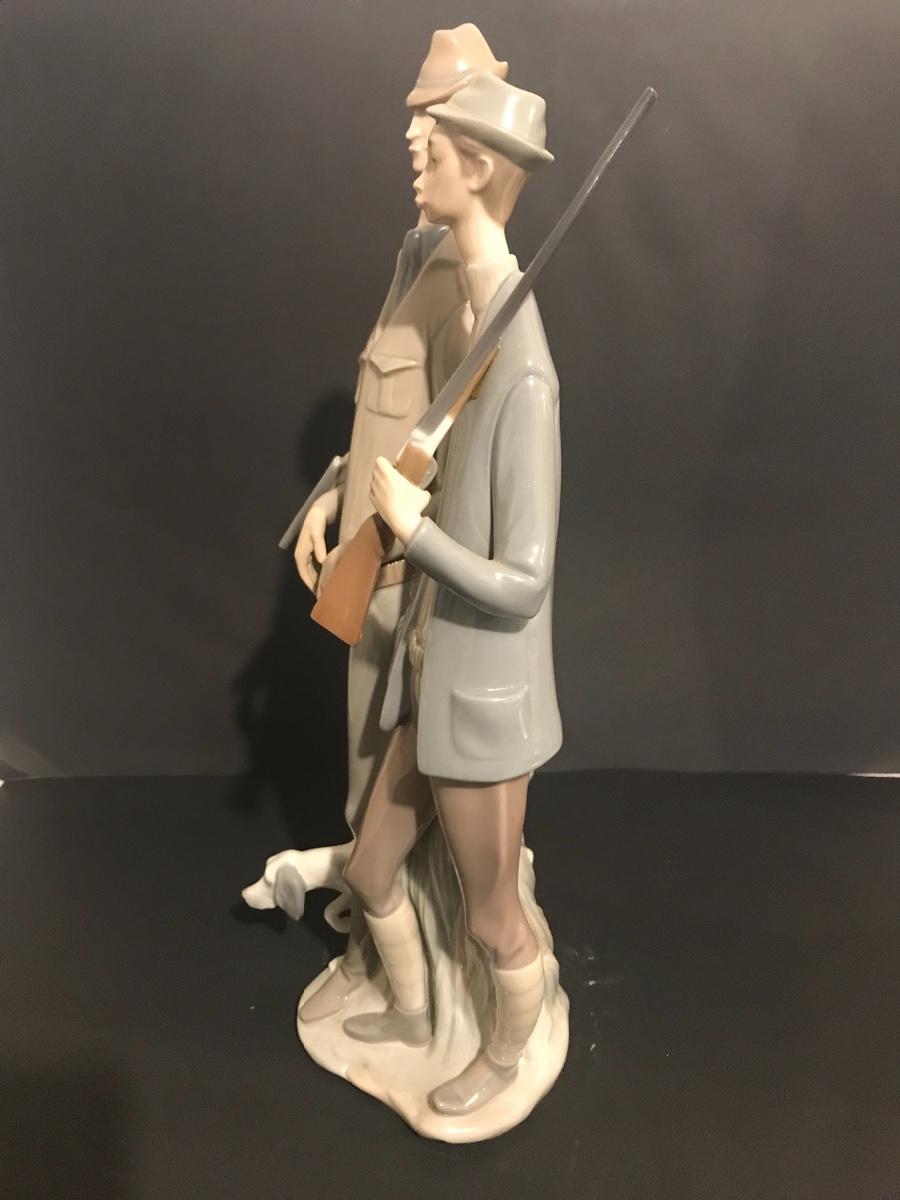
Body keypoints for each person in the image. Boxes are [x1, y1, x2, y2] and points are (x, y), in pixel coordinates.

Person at [341, 72, 564, 1119]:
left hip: (481, 704)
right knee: (371, 868)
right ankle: (413, 1008)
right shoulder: (476, 322)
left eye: (430, 145)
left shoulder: (523, 371)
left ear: (476, 167)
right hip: (425, 679)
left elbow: (525, 582)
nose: (413, 155)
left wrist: (416, 531)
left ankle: (505, 1056)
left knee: (491, 916)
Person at [294, 26, 509, 1023]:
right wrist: (330, 494)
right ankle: (381, 964)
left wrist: (405, 553)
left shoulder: (472, 292)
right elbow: (389, 417)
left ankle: (411, 988)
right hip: (362, 561)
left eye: (431, 119)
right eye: (414, 116)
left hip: (401, 583)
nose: (412, 138)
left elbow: (463, 457)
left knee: (385, 805)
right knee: (361, 795)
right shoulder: (417, 253)